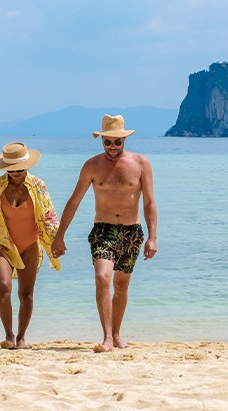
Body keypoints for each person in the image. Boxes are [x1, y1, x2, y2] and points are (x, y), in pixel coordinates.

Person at [51, 114, 158, 353]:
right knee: (103, 278)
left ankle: (117, 334)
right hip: (103, 230)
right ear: (101, 141)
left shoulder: (141, 164)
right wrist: (60, 236)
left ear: (124, 140)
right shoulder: (91, 165)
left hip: (132, 232)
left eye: (116, 142)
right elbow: (74, 201)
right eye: (107, 142)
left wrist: (152, 237)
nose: (112, 147)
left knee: (121, 286)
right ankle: (107, 338)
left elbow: (150, 202)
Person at [0, 142, 60, 349]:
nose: (15, 172)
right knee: (4, 287)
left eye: (19, 167)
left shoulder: (38, 185)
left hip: (30, 245)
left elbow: (49, 216)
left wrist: (57, 241)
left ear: (26, 164)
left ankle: (22, 336)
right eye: (11, 168)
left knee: (26, 295)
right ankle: (8, 335)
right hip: (2, 244)